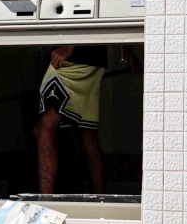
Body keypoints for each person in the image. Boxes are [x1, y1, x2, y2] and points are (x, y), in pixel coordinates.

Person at [34, 44, 142, 195]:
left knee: (44, 127)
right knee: (87, 134)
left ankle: (44, 205)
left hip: (74, 59)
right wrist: (128, 55)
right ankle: (99, 201)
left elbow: (92, 20)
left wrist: (71, 44)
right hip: (87, 58)